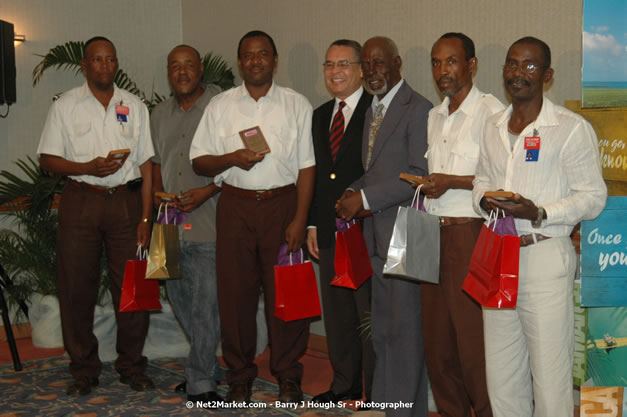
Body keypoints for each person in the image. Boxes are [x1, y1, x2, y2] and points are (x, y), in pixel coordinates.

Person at [472, 36, 607, 417]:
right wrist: (482, 198)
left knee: (550, 378)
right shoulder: (492, 125)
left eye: (530, 66)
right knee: (502, 375)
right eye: (512, 64)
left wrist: (540, 212)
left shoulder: (570, 128)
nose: (519, 73)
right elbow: (481, 178)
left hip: (545, 257)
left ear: (547, 75)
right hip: (498, 255)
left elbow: (593, 197)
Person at [189, 30, 315, 404]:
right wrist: (232, 158)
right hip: (236, 207)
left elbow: (307, 166)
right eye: (248, 55)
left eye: (263, 55)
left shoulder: (296, 104)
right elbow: (199, 161)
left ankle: (288, 374)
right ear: (239, 62)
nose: (255, 61)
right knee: (235, 295)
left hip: (282, 206)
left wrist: (299, 218)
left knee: (286, 293)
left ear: (274, 60)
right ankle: (240, 374)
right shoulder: (220, 106)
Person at [37, 36, 154, 396]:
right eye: (97, 60)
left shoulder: (133, 105)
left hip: (127, 203)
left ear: (117, 64)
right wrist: (87, 166)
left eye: (110, 60)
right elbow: (47, 159)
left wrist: (146, 219)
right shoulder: (65, 106)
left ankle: (132, 365)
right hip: (80, 200)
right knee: (76, 288)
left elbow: (147, 164)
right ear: (85, 66)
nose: (105, 66)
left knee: (134, 287)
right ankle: (84, 369)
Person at [336, 36, 432, 417]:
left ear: (397, 63)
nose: (374, 71)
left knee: (406, 334)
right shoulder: (372, 109)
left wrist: (364, 200)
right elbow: (373, 172)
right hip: (375, 236)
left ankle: (406, 411)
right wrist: (350, 191)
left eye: (380, 63)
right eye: (367, 65)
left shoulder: (418, 108)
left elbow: (418, 175)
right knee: (384, 333)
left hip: (408, 234)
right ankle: (386, 406)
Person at [419, 33, 502, 417]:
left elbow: (502, 178)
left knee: (473, 345)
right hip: (431, 235)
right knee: (438, 345)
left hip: (470, 235)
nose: (442, 71)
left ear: (471, 65)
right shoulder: (434, 116)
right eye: (436, 62)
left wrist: (450, 181)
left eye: (451, 61)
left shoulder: (491, 112)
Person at [150, 45, 222, 403]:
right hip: (166, 223)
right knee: (177, 299)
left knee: (205, 303)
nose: (181, 72)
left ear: (201, 69)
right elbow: (152, 164)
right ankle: (205, 363)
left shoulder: (222, 107)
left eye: (188, 65)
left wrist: (208, 191)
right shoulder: (158, 114)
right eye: (174, 66)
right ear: (168, 71)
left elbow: (238, 162)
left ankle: (201, 380)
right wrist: (153, 205)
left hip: (209, 219)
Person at [306, 39, 374, 406]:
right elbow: (317, 175)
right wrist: (314, 225)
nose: (335, 71)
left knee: (367, 314)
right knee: (337, 312)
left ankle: (375, 392)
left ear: (362, 69)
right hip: (330, 230)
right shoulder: (319, 116)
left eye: (344, 63)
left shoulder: (376, 111)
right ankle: (344, 384)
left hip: (364, 229)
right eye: (329, 64)